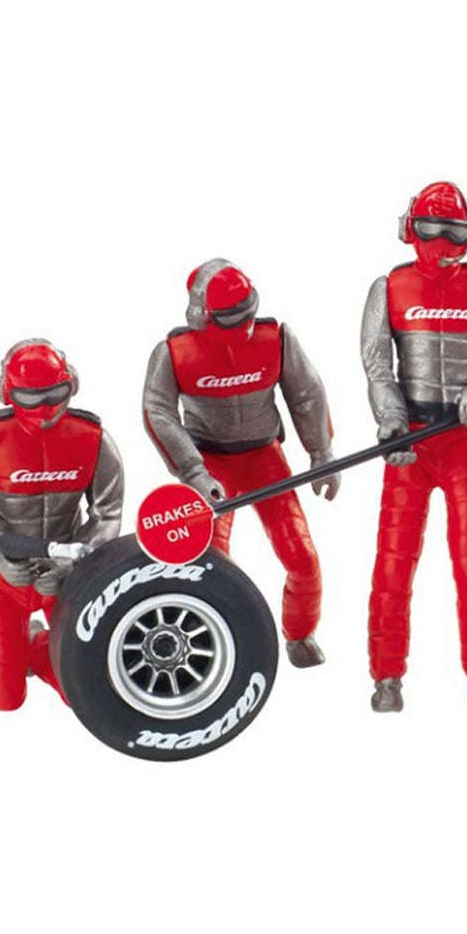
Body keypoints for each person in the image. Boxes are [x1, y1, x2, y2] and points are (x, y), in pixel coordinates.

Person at [360, 182, 467, 712]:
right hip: (409, 443)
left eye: (453, 232)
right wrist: (392, 421)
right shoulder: (389, 287)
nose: (440, 242)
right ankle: (386, 677)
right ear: (408, 230)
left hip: (465, 442)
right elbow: (377, 366)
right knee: (392, 564)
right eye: (428, 229)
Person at [143, 259, 338, 668]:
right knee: (210, 565)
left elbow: (306, 394)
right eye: (230, 317)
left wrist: (321, 452)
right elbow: (157, 411)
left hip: (266, 458)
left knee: (302, 558)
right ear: (201, 314)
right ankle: (219, 641)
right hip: (210, 462)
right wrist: (194, 472)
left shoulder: (276, 338)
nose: (243, 326)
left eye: (247, 313)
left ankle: (301, 634)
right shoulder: (174, 353)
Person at [0, 339, 124, 710]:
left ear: (71, 384)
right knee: (3, 699)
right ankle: (15, 651)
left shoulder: (94, 437)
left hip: (68, 575)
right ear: (6, 393)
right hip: (7, 574)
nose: (43, 409)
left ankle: (37, 644)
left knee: (82, 696)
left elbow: (108, 513)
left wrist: (71, 561)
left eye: (54, 394)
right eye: (29, 398)